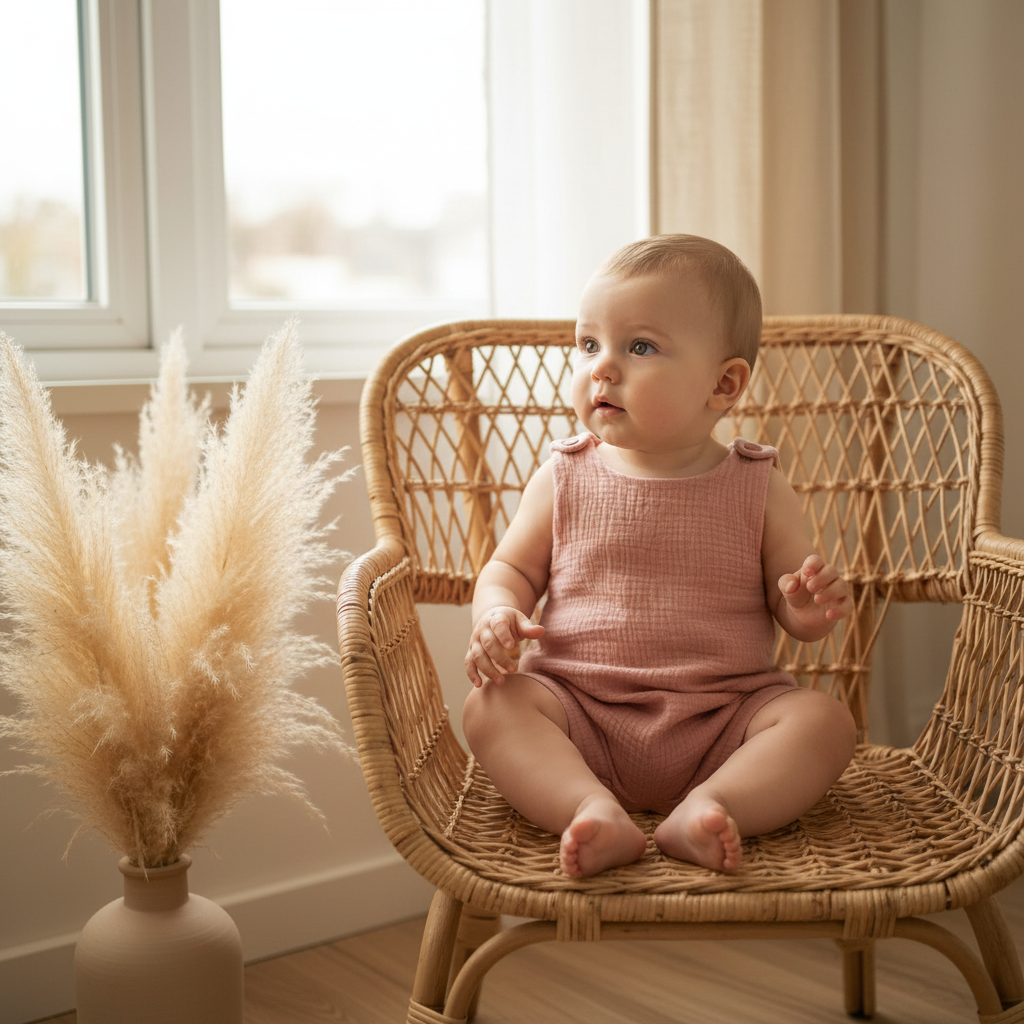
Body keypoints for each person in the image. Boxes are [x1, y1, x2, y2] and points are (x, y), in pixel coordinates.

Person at [462, 234, 857, 879]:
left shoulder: (758, 485)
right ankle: (589, 809)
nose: (603, 368)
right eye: (589, 344)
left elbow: (796, 614)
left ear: (723, 384)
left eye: (639, 347)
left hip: (722, 721)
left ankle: (710, 808)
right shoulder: (562, 477)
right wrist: (497, 614)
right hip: (579, 712)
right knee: (493, 707)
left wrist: (809, 608)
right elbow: (509, 570)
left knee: (824, 722)